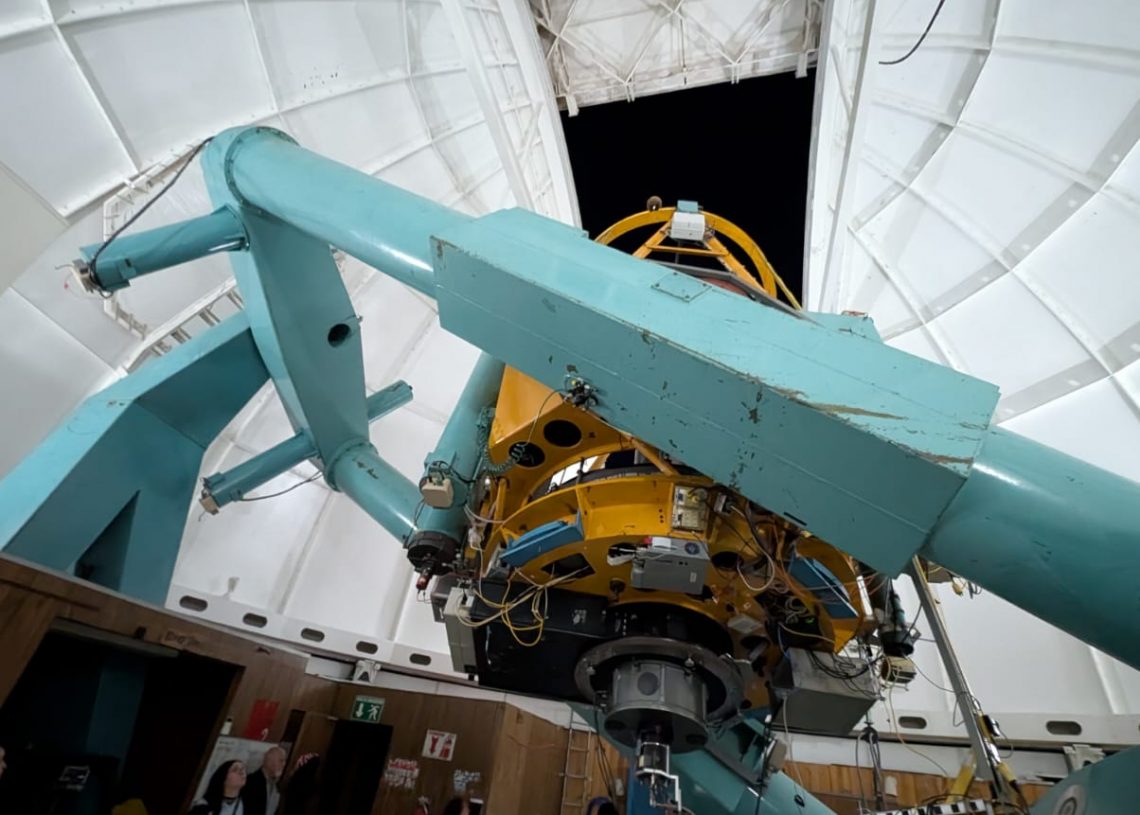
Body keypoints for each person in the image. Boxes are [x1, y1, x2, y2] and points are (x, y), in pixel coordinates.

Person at [243, 746, 286, 815]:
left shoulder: (277, 785)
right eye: (281, 760)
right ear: (269, 761)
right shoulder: (251, 782)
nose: (283, 764)